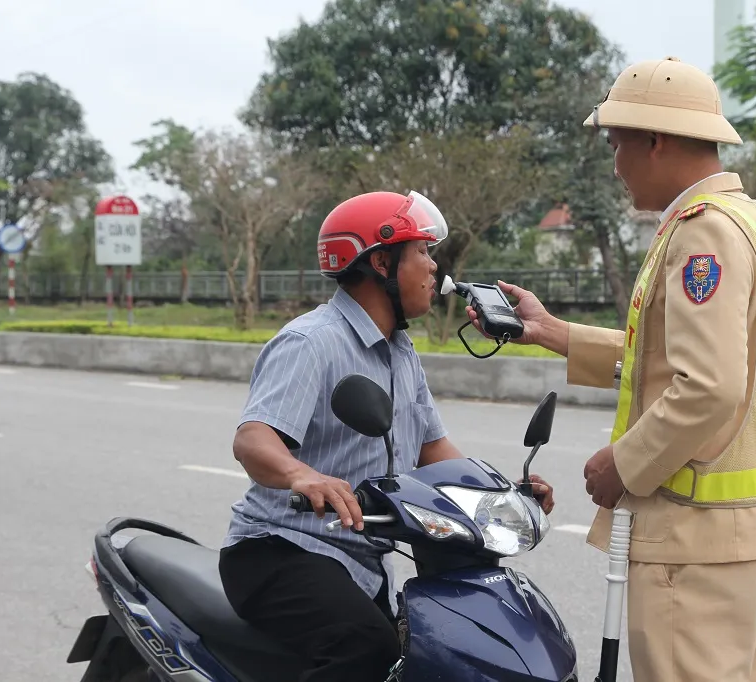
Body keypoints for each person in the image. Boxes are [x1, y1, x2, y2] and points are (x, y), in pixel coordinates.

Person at [468, 56, 756, 682]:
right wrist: (557, 334)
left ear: (655, 140)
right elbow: (695, 362)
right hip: (754, 534)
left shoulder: (703, 235)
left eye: (618, 144)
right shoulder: (753, 225)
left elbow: (708, 386)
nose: (615, 165)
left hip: (695, 545)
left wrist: (622, 464)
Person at [218, 189, 556, 682]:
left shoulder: (401, 352)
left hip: (358, 559)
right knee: (366, 648)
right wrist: (303, 476)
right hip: (279, 550)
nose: (434, 267)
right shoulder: (311, 342)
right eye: (422, 252)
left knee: (426, 653)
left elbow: (433, 451)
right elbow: (253, 438)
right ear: (380, 262)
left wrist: (505, 496)